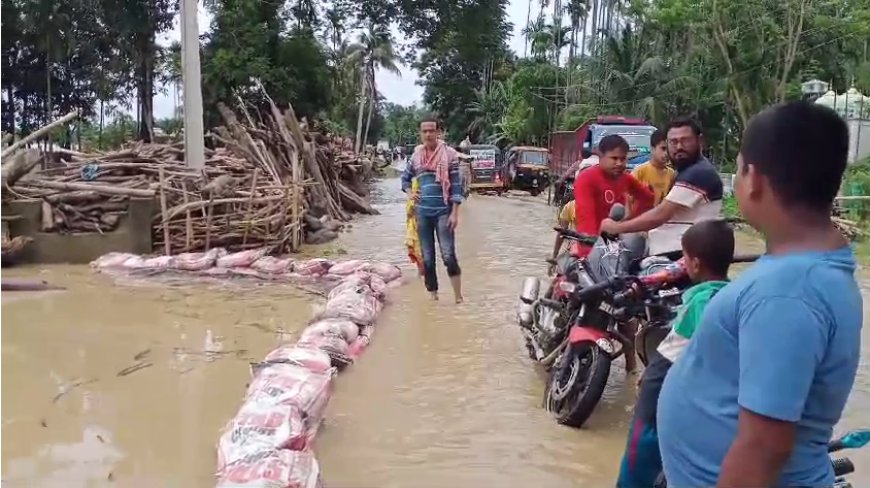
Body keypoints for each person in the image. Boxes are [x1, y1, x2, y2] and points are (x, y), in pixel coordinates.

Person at [657, 101, 862, 487]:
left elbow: (765, 446)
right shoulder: (810, 267)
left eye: (738, 168)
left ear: (754, 179)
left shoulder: (789, 292)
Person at [616, 219, 734, 488]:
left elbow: (687, 353)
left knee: (636, 471)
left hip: (657, 407)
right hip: (694, 412)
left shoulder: (703, 303)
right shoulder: (729, 296)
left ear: (694, 263)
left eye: (684, 256)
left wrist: (648, 379)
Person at [599, 118, 722, 258]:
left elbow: (661, 214)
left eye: (685, 140)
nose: (679, 146)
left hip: (678, 255)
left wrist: (618, 227)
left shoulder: (698, 173)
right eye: (673, 142)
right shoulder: (683, 172)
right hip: (664, 246)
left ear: (700, 141)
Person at [400, 117, 465, 303]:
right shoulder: (416, 157)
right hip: (422, 212)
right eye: (424, 131)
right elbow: (405, 179)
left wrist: (455, 212)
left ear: (438, 132)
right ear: (420, 134)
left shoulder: (450, 155)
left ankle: (458, 297)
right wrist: (409, 192)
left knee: (448, 255)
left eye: (431, 130)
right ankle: (433, 297)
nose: (428, 134)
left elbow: (456, 187)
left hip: (444, 212)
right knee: (427, 258)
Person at [573, 135, 655, 258]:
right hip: (592, 246)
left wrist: (635, 223)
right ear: (601, 156)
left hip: (617, 244)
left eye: (623, 159)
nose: (619, 163)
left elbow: (648, 198)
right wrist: (590, 254)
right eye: (614, 158)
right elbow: (586, 219)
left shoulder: (625, 178)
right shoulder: (586, 179)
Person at [631, 129, 675, 206]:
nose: (666, 153)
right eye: (663, 148)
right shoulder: (640, 172)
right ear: (652, 149)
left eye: (669, 149)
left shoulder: (671, 174)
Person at [548, 198, 577, 274]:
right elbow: (561, 232)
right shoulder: (571, 206)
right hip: (573, 251)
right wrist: (554, 256)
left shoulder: (601, 207)